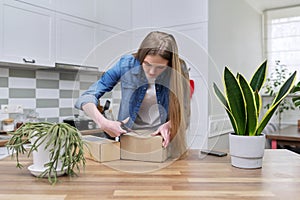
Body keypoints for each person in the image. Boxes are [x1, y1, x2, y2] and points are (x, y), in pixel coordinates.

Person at [75, 31, 191, 158]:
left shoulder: (179, 69)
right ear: (141, 58)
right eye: (147, 64)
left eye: (160, 67)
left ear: (169, 65)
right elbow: (87, 96)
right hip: (129, 140)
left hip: (162, 143)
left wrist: (170, 125)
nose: (152, 72)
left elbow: (184, 111)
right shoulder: (126, 64)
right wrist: (102, 122)